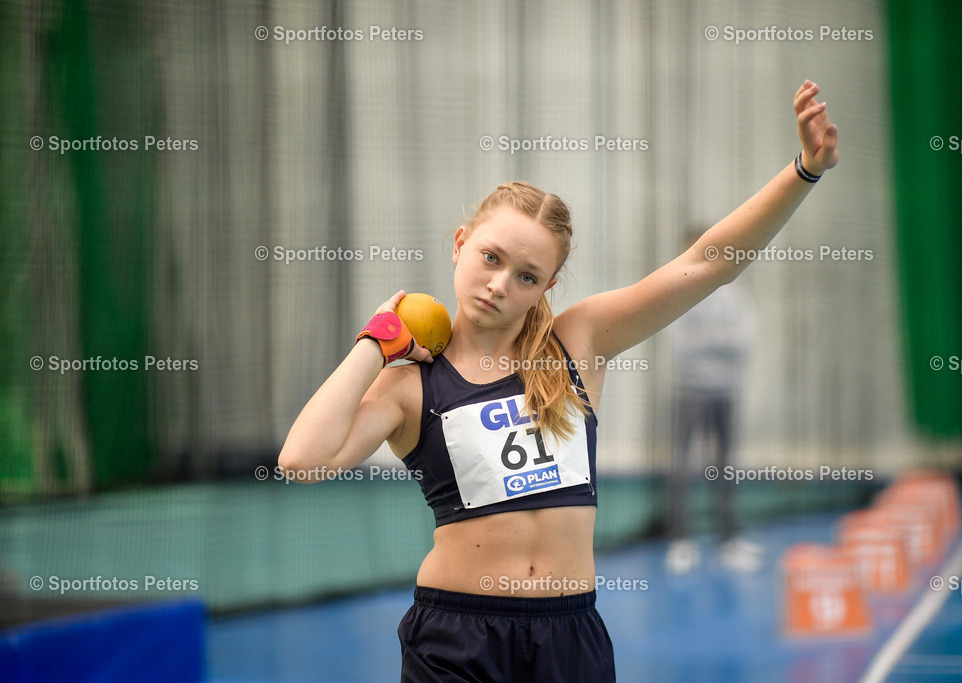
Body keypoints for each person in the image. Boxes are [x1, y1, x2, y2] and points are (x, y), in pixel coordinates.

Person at [279, 80, 838, 682]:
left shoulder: (579, 343)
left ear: (547, 286)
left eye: (526, 276)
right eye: (491, 259)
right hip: (457, 639)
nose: (499, 284)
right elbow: (301, 462)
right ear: (461, 245)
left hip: (570, 637)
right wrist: (374, 343)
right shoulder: (411, 385)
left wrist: (803, 171)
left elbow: (706, 264)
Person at [664, 271, 759, 574]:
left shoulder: (734, 297)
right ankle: (680, 542)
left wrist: (707, 341)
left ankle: (729, 541)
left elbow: (744, 341)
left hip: (727, 391)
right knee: (683, 465)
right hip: (690, 391)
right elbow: (681, 346)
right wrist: (720, 341)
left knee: (727, 464)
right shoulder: (682, 299)